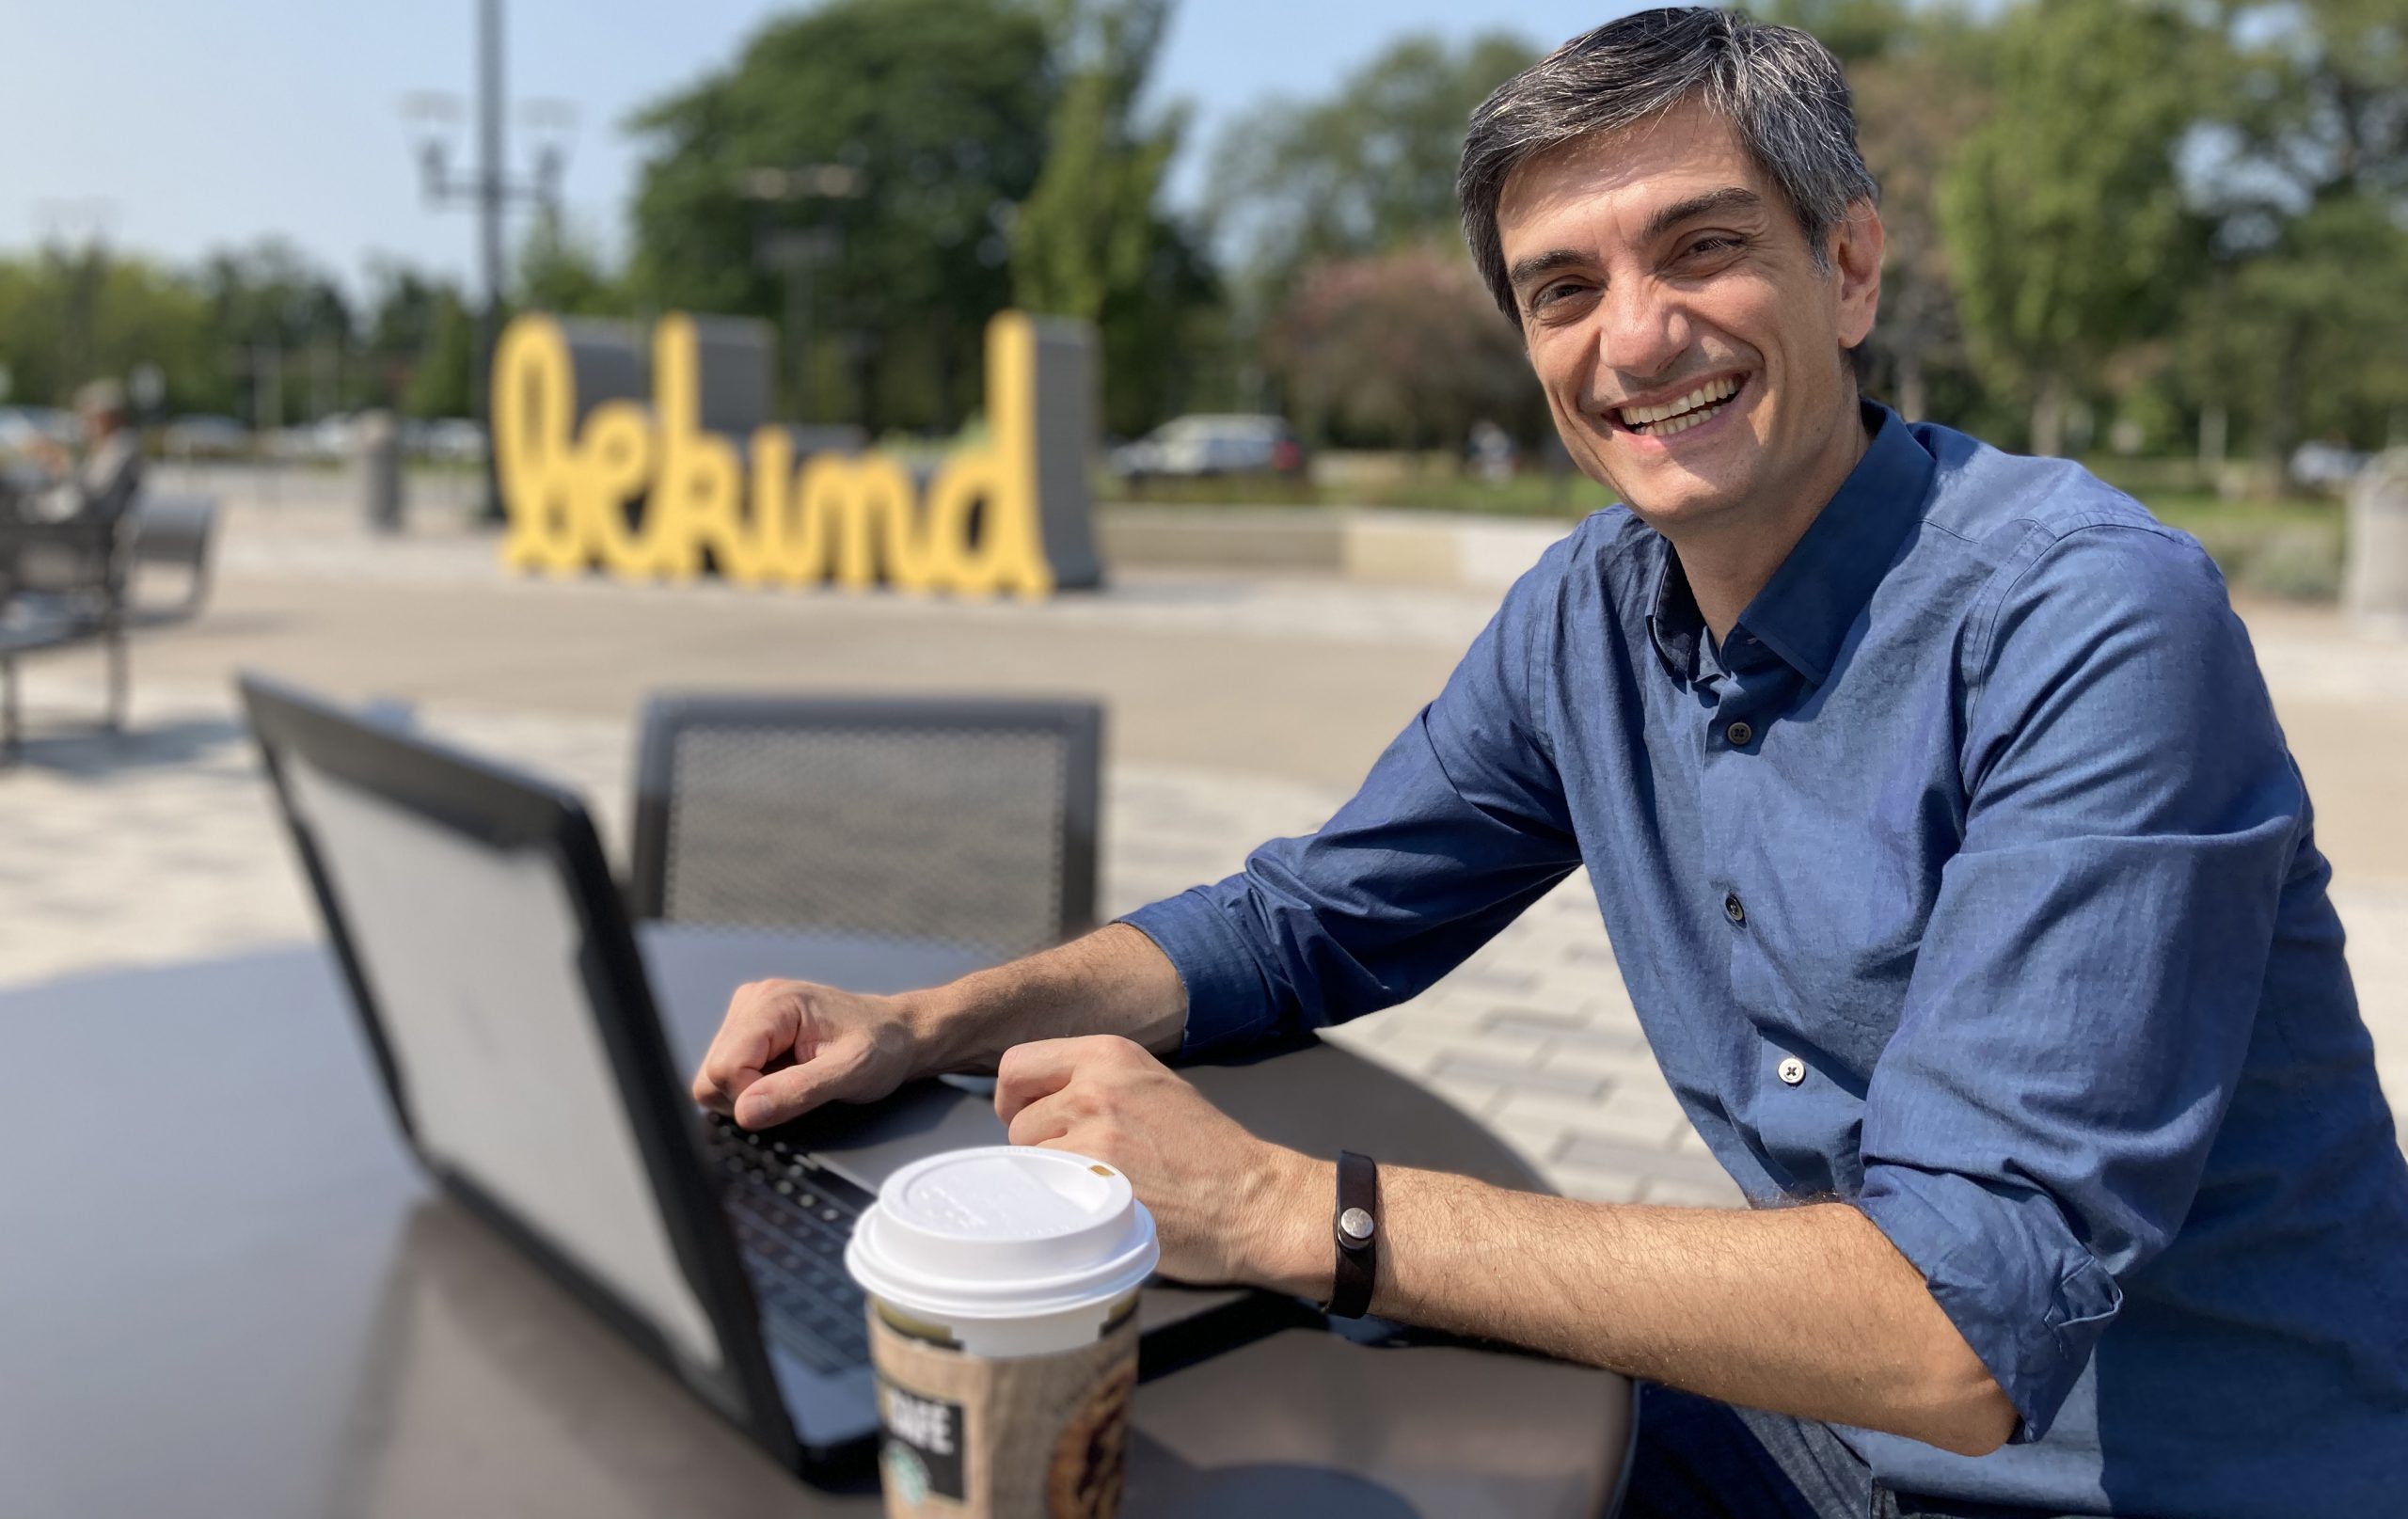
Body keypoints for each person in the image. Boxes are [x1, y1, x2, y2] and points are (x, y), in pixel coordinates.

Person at [693, 10, 2408, 1515]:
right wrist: (922, 1025)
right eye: (1565, 290)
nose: (1638, 338)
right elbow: (1307, 921)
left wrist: (1296, 1209)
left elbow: (1964, 1322)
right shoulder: (1592, 606)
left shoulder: (2088, 622)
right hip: (1819, 1435)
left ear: (1852, 270)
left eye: (1703, 250)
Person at [23, 379, 142, 528]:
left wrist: (64, 467)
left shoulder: (120, 448)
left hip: (92, 522)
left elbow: (92, 492)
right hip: (86, 515)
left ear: (109, 417)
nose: (87, 423)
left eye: (92, 417)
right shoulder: (109, 446)